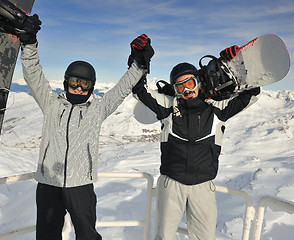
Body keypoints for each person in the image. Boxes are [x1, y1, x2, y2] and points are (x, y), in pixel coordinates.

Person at [14, 14, 154, 240]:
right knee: (47, 235)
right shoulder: (51, 104)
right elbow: (33, 74)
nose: (78, 88)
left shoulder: (97, 110)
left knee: (87, 235)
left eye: (84, 84)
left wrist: (139, 64)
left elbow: (122, 87)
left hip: (81, 186)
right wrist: (29, 43)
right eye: (74, 82)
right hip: (49, 184)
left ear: (91, 88)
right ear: (66, 82)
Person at [132, 47, 260, 239]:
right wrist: (138, 62)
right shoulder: (168, 107)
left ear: (198, 82)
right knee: (164, 235)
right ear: (175, 90)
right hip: (171, 183)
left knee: (205, 237)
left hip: (203, 186)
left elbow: (251, 94)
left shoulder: (218, 109)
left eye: (190, 83)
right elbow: (139, 91)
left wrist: (234, 66)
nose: (187, 91)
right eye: (180, 87)